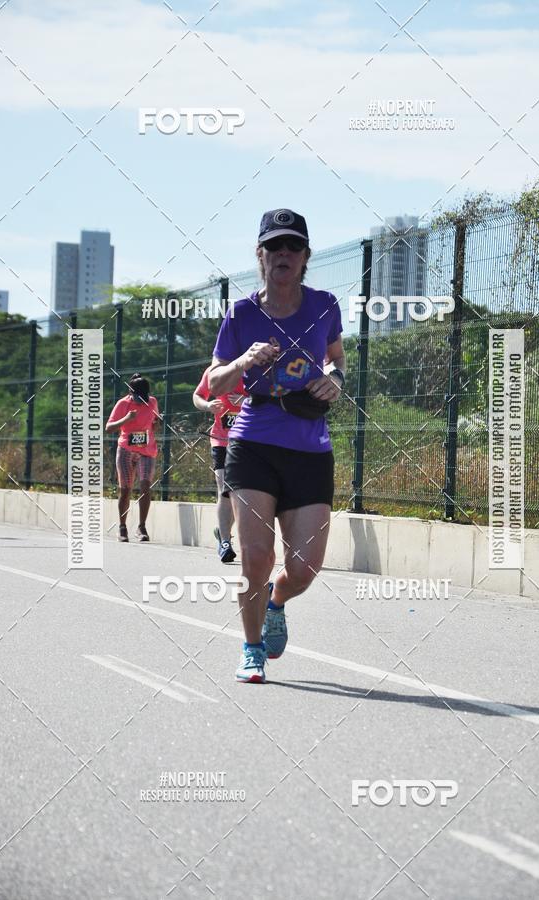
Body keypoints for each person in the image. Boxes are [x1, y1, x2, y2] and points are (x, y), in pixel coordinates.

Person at [209, 209, 345, 683]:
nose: (282, 254)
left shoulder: (325, 305)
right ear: (260, 256)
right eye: (274, 247)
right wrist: (244, 358)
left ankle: (277, 601)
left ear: (306, 257)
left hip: (309, 446)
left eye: (292, 247)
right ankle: (251, 649)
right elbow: (213, 382)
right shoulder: (241, 313)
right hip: (254, 441)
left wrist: (336, 381)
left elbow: (336, 361)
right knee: (255, 556)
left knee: (303, 568)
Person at [193, 365, 246, 562]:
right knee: (224, 487)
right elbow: (197, 395)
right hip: (221, 440)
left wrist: (246, 401)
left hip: (248, 440)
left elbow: (273, 400)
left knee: (239, 492)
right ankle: (225, 543)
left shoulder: (255, 367)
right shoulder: (214, 371)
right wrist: (208, 406)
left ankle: (224, 532)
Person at [105, 373, 159, 543]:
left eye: (144, 397)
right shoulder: (123, 404)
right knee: (126, 489)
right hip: (126, 449)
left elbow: (155, 423)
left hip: (147, 450)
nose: (140, 400)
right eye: (137, 397)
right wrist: (126, 418)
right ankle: (122, 527)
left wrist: (157, 424)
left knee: (145, 486)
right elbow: (109, 428)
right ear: (131, 393)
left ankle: (142, 527)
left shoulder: (152, 402)